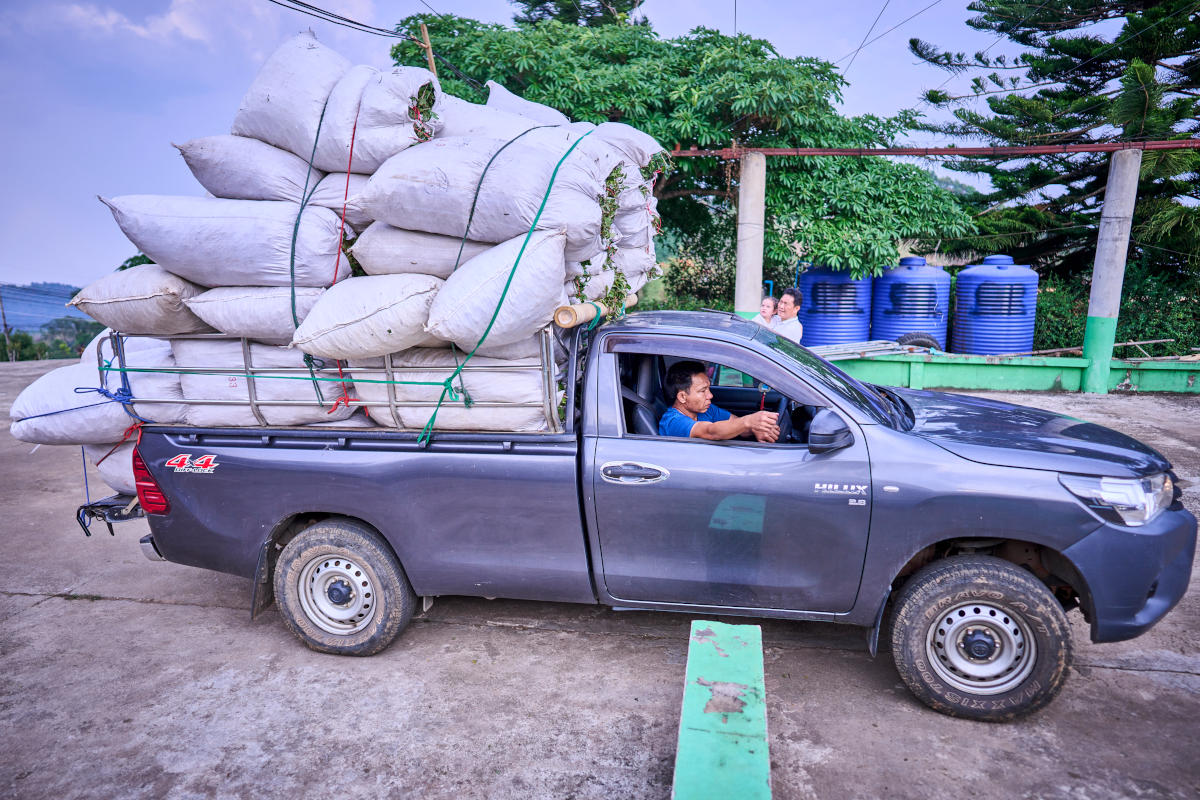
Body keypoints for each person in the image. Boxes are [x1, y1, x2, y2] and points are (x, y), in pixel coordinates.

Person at [658, 360, 780, 442]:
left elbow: (735, 424)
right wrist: (749, 421)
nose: (710, 395)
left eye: (709, 388)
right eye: (703, 391)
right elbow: (710, 431)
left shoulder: (707, 410)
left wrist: (757, 428)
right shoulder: (673, 422)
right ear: (682, 397)